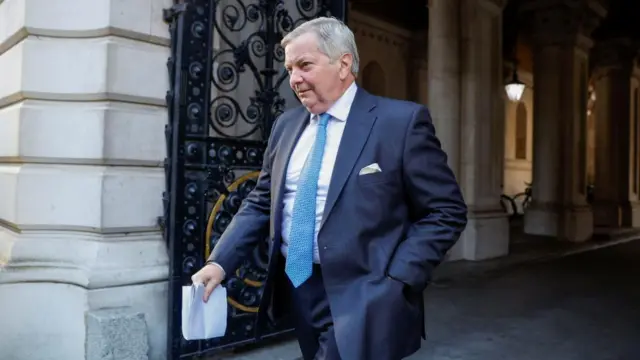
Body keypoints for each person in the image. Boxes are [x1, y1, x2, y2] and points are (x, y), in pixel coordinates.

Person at [191, 16, 467, 360]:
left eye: (304, 65)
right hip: (299, 286)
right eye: (290, 68)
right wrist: (220, 263)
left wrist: (398, 278)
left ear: (344, 64)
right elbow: (263, 202)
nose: (294, 79)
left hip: (367, 293)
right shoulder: (285, 126)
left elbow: (446, 211)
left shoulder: (400, 123)